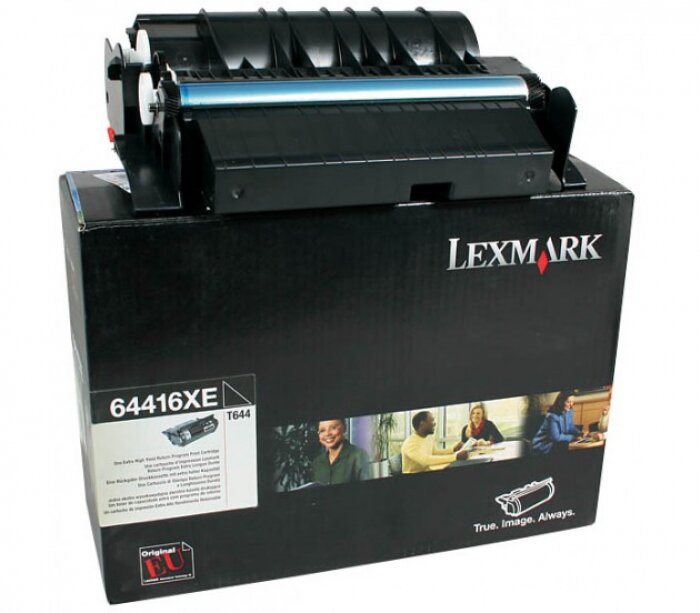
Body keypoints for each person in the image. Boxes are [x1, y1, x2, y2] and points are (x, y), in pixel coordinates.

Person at [401, 411, 468, 473]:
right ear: (422, 423)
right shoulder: (410, 443)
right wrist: (455, 457)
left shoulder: (428, 437)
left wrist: (453, 449)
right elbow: (426, 460)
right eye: (432, 420)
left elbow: (434, 452)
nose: (434, 423)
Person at [310, 419, 370, 485]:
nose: (327, 434)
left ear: (344, 428)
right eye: (322, 430)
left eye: (333, 428)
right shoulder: (317, 463)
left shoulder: (359, 456)